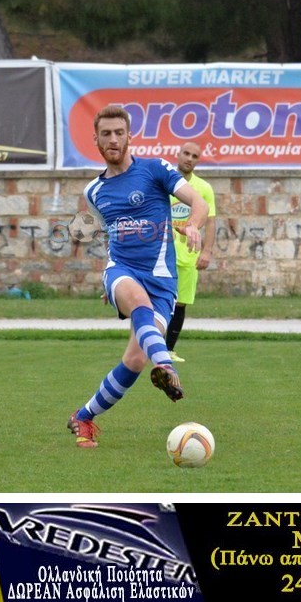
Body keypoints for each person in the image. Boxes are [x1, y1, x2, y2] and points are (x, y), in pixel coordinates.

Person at [67, 105, 209, 448]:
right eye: (106, 134)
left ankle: (83, 417)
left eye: (119, 132)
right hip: (123, 270)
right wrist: (114, 285)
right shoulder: (93, 191)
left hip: (162, 281)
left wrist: (193, 225)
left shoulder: (155, 169)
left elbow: (199, 202)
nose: (113, 139)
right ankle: (167, 367)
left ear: (129, 136)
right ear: (96, 140)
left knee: (133, 360)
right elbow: (109, 234)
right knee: (140, 306)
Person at [165, 141, 216, 362]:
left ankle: (168, 350)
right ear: (178, 154)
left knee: (180, 303)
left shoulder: (203, 188)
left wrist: (207, 251)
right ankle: (149, 347)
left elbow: (211, 221)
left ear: (198, 161)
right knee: (156, 300)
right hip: (162, 253)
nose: (189, 158)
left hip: (188, 254)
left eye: (194, 156)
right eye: (186, 153)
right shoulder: (163, 182)